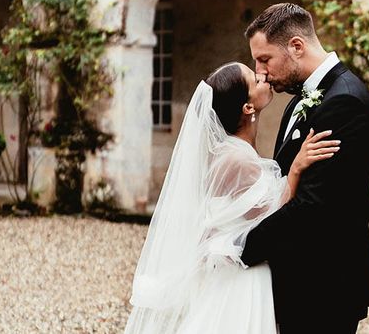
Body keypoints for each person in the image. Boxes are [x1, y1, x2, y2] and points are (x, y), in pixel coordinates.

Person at [124, 62, 340, 334]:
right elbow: (278, 218)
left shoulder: (234, 152)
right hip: (243, 280)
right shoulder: (236, 160)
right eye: (254, 79)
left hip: (239, 270)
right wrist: (296, 170)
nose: (262, 77)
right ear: (247, 107)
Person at [241, 3, 369, 334]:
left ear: (296, 46)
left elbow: (315, 206)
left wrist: (244, 247)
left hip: (324, 286)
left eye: (264, 59)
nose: (260, 71)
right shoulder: (303, 95)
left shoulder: (345, 102)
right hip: (299, 281)